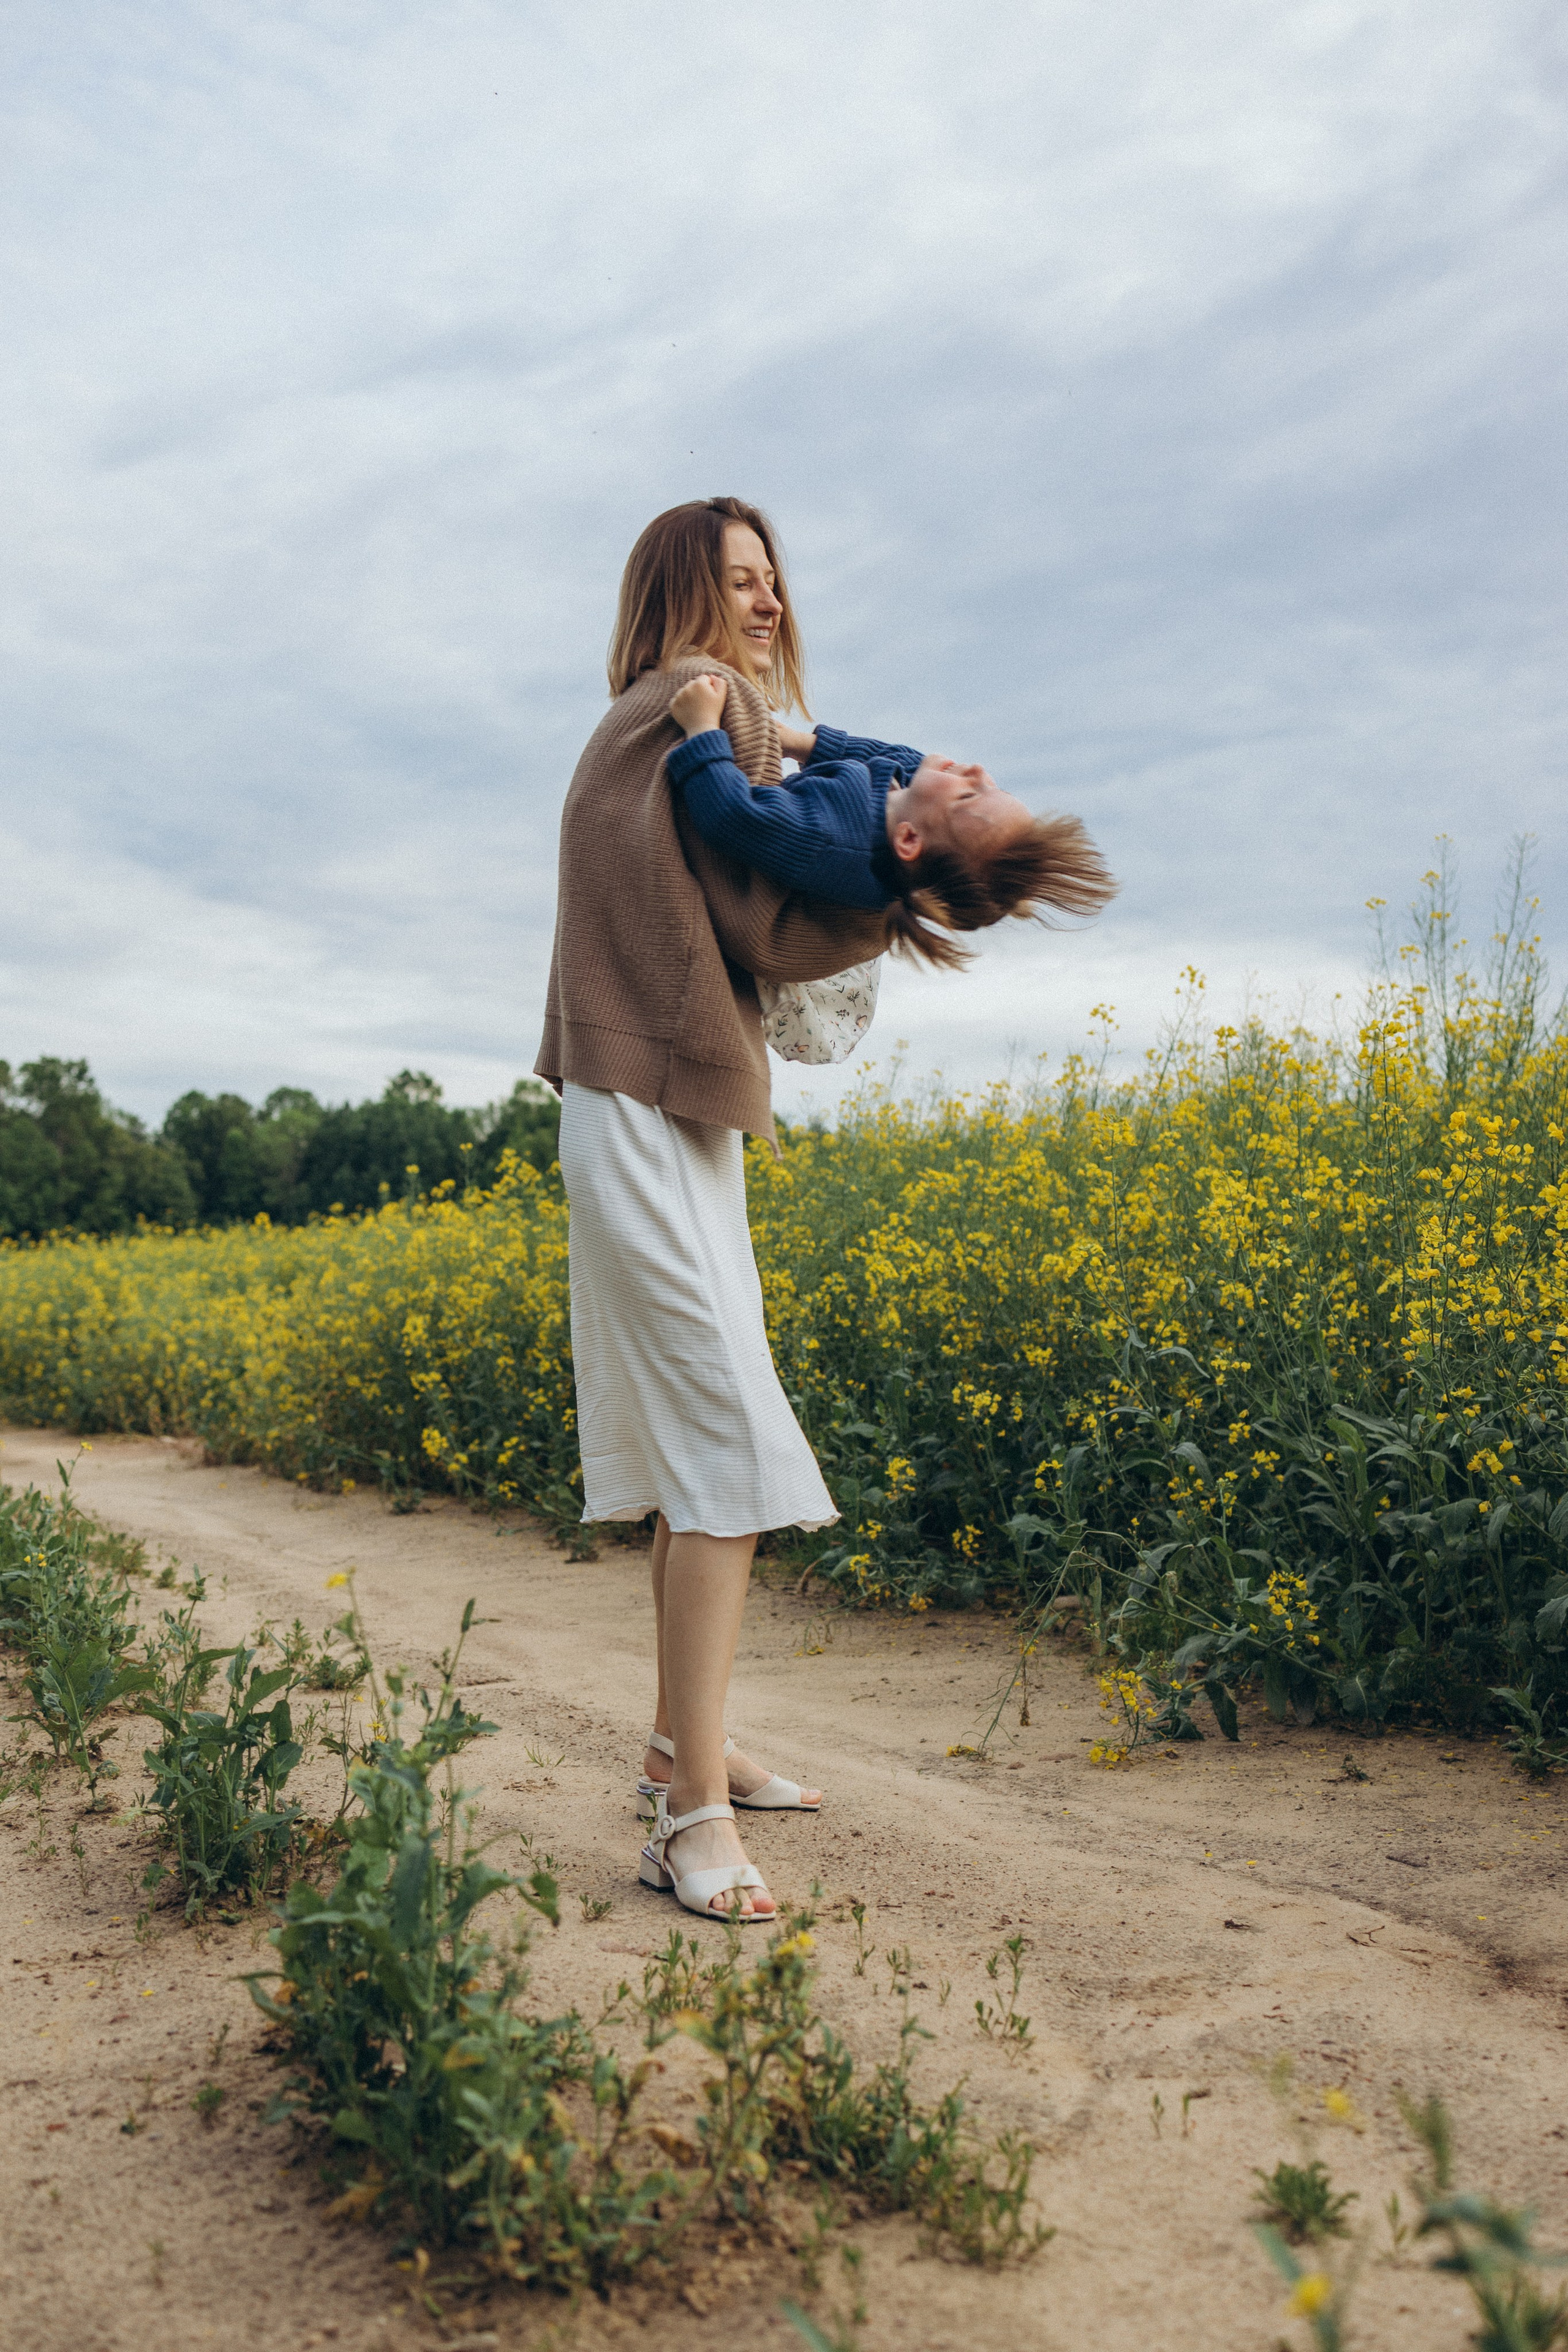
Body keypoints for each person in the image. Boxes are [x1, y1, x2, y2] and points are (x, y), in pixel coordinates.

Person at [535, 497, 897, 1923]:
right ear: (681, 596)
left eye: (770, 580)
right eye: (734, 582)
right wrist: (923, 854)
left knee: (701, 1444)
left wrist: (804, 751)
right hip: (643, 1111)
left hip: (657, 1112)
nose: (763, 603)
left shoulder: (649, 718)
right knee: (726, 1446)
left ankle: (680, 1744)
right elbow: (814, 860)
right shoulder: (695, 713)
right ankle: (683, 1818)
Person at [665, 674, 1115, 946]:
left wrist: (702, 727)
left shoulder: (832, 840)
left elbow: (734, 816)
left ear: (909, 841)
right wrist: (801, 742)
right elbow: (902, 761)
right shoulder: (901, 810)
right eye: (992, 784)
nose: (977, 770)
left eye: (969, 795)